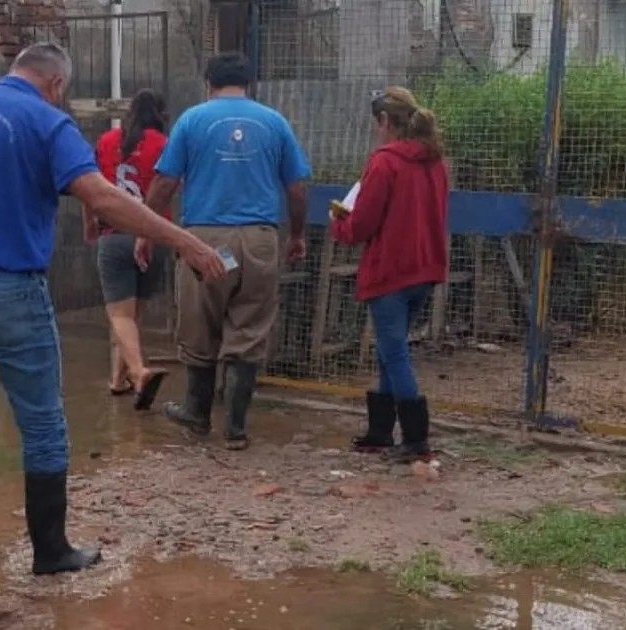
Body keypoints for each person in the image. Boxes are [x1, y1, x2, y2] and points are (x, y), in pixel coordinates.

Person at [0, 43, 227, 579]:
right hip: (9, 290)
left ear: (15, 71)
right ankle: (51, 551)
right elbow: (102, 198)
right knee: (43, 424)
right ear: (56, 84)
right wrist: (185, 242)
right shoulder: (48, 123)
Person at [142, 53, 311, 451]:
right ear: (250, 84)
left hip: (205, 240)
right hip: (259, 239)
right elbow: (297, 188)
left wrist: (145, 232)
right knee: (249, 328)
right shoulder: (275, 122)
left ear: (209, 84)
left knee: (199, 323)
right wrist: (297, 235)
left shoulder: (192, 120)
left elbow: (164, 183)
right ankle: (235, 428)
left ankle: (197, 413)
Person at [328, 86, 449, 462]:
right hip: (424, 266)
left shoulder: (384, 162)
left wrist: (339, 223)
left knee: (394, 352)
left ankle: (415, 438)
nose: (375, 130)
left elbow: (363, 222)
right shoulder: (435, 161)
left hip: (391, 269)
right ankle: (380, 431)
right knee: (388, 348)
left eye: (376, 123)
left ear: (385, 121)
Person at [83, 89, 172, 409]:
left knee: (121, 316)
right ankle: (118, 379)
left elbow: (89, 187)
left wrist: (89, 223)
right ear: (161, 115)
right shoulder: (164, 144)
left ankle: (137, 372)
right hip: (152, 236)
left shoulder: (107, 141)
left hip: (114, 234)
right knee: (134, 317)